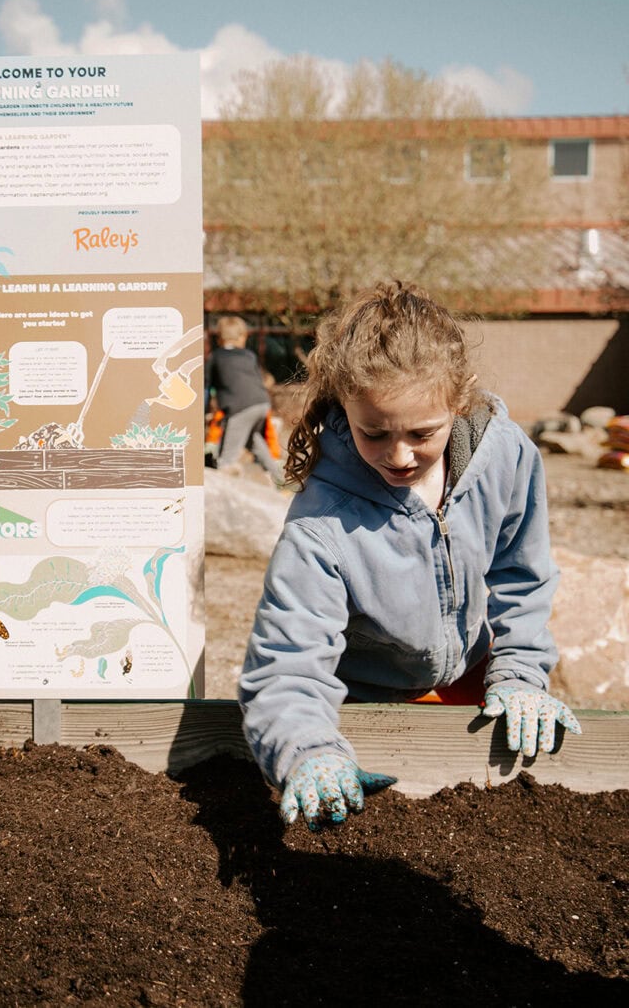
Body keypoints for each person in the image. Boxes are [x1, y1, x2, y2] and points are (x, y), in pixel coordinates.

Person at [239, 281, 581, 831]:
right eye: (373, 433)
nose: (399, 456)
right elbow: (288, 661)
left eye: (423, 433)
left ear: (459, 401)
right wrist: (308, 748)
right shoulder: (322, 524)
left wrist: (519, 672)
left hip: (468, 669)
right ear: (344, 406)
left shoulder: (506, 455)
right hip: (365, 694)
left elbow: (523, 574)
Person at [205, 315, 284, 485]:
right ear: (242, 337)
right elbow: (258, 380)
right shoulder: (249, 355)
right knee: (254, 441)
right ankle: (279, 477)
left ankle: (223, 490)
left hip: (239, 408)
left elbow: (206, 386)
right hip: (262, 403)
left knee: (227, 459)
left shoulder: (216, 357)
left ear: (219, 337)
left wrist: (204, 411)